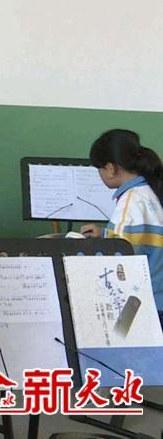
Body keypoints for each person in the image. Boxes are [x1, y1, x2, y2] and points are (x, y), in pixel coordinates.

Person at [82, 129, 163, 318]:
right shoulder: (149, 192)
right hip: (158, 297)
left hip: (142, 302)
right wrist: (105, 234)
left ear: (110, 168)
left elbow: (120, 257)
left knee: (116, 329)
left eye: (99, 169)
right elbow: (142, 239)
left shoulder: (130, 203)